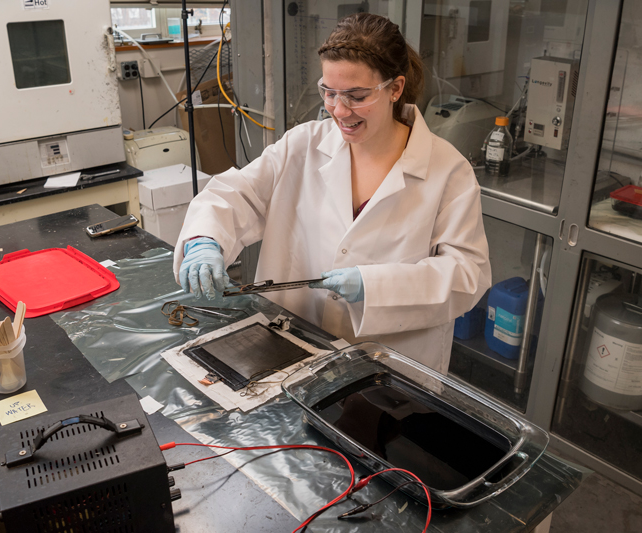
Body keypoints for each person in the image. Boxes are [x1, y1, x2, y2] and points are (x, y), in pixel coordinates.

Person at [173, 13, 491, 373]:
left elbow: (467, 275)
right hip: (290, 350)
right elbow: (237, 193)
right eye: (329, 92)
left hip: (390, 370)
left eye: (356, 96)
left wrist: (374, 286)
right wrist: (204, 239)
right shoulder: (304, 144)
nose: (339, 111)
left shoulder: (448, 171)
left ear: (395, 88)